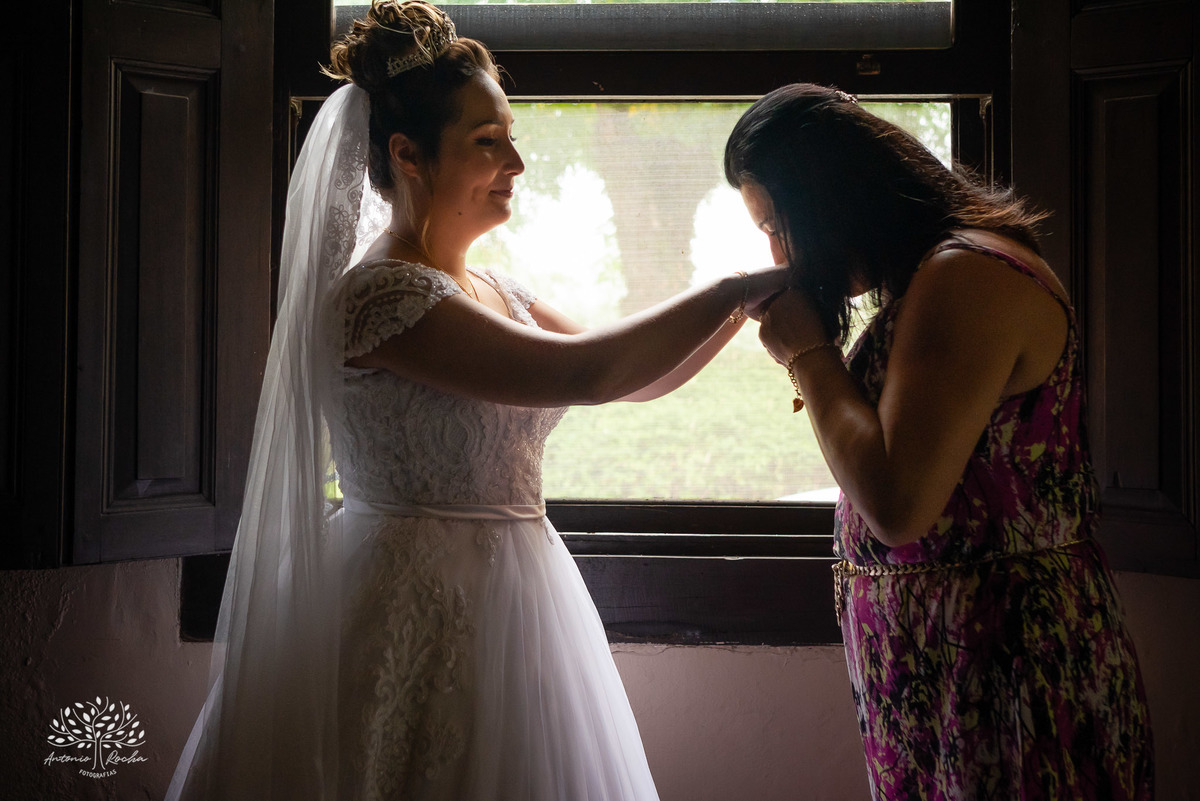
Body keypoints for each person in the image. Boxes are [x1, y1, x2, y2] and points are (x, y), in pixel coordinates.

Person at [166, 2, 787, 799]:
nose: (517, 165)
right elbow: (584, 373)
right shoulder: (381, 299)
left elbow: (631, 377)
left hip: (517, 593)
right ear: (409, 156)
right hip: (411, 609)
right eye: (487, 143)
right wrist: (735, 286)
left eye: (512, 138)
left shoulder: (497, 287)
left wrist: (748, 305)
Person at [726, 83, 1154, 799]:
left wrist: (809, 353)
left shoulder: (966, 276)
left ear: (829, 197)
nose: (778, 251)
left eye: (779, 223)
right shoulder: (931, 278)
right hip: (954, 673)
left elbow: (899, 503)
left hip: (1007, 673)